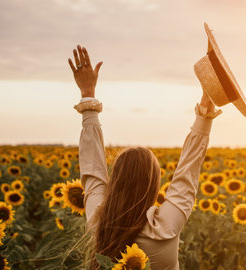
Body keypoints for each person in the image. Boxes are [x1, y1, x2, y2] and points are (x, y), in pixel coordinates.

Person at [68, 44, 222, 269]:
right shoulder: (165, 227)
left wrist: (87, 95)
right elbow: (187, 172)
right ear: (153, 184)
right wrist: (206, 109)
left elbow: (92, 173)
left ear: (116, 180)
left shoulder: (99, 223)